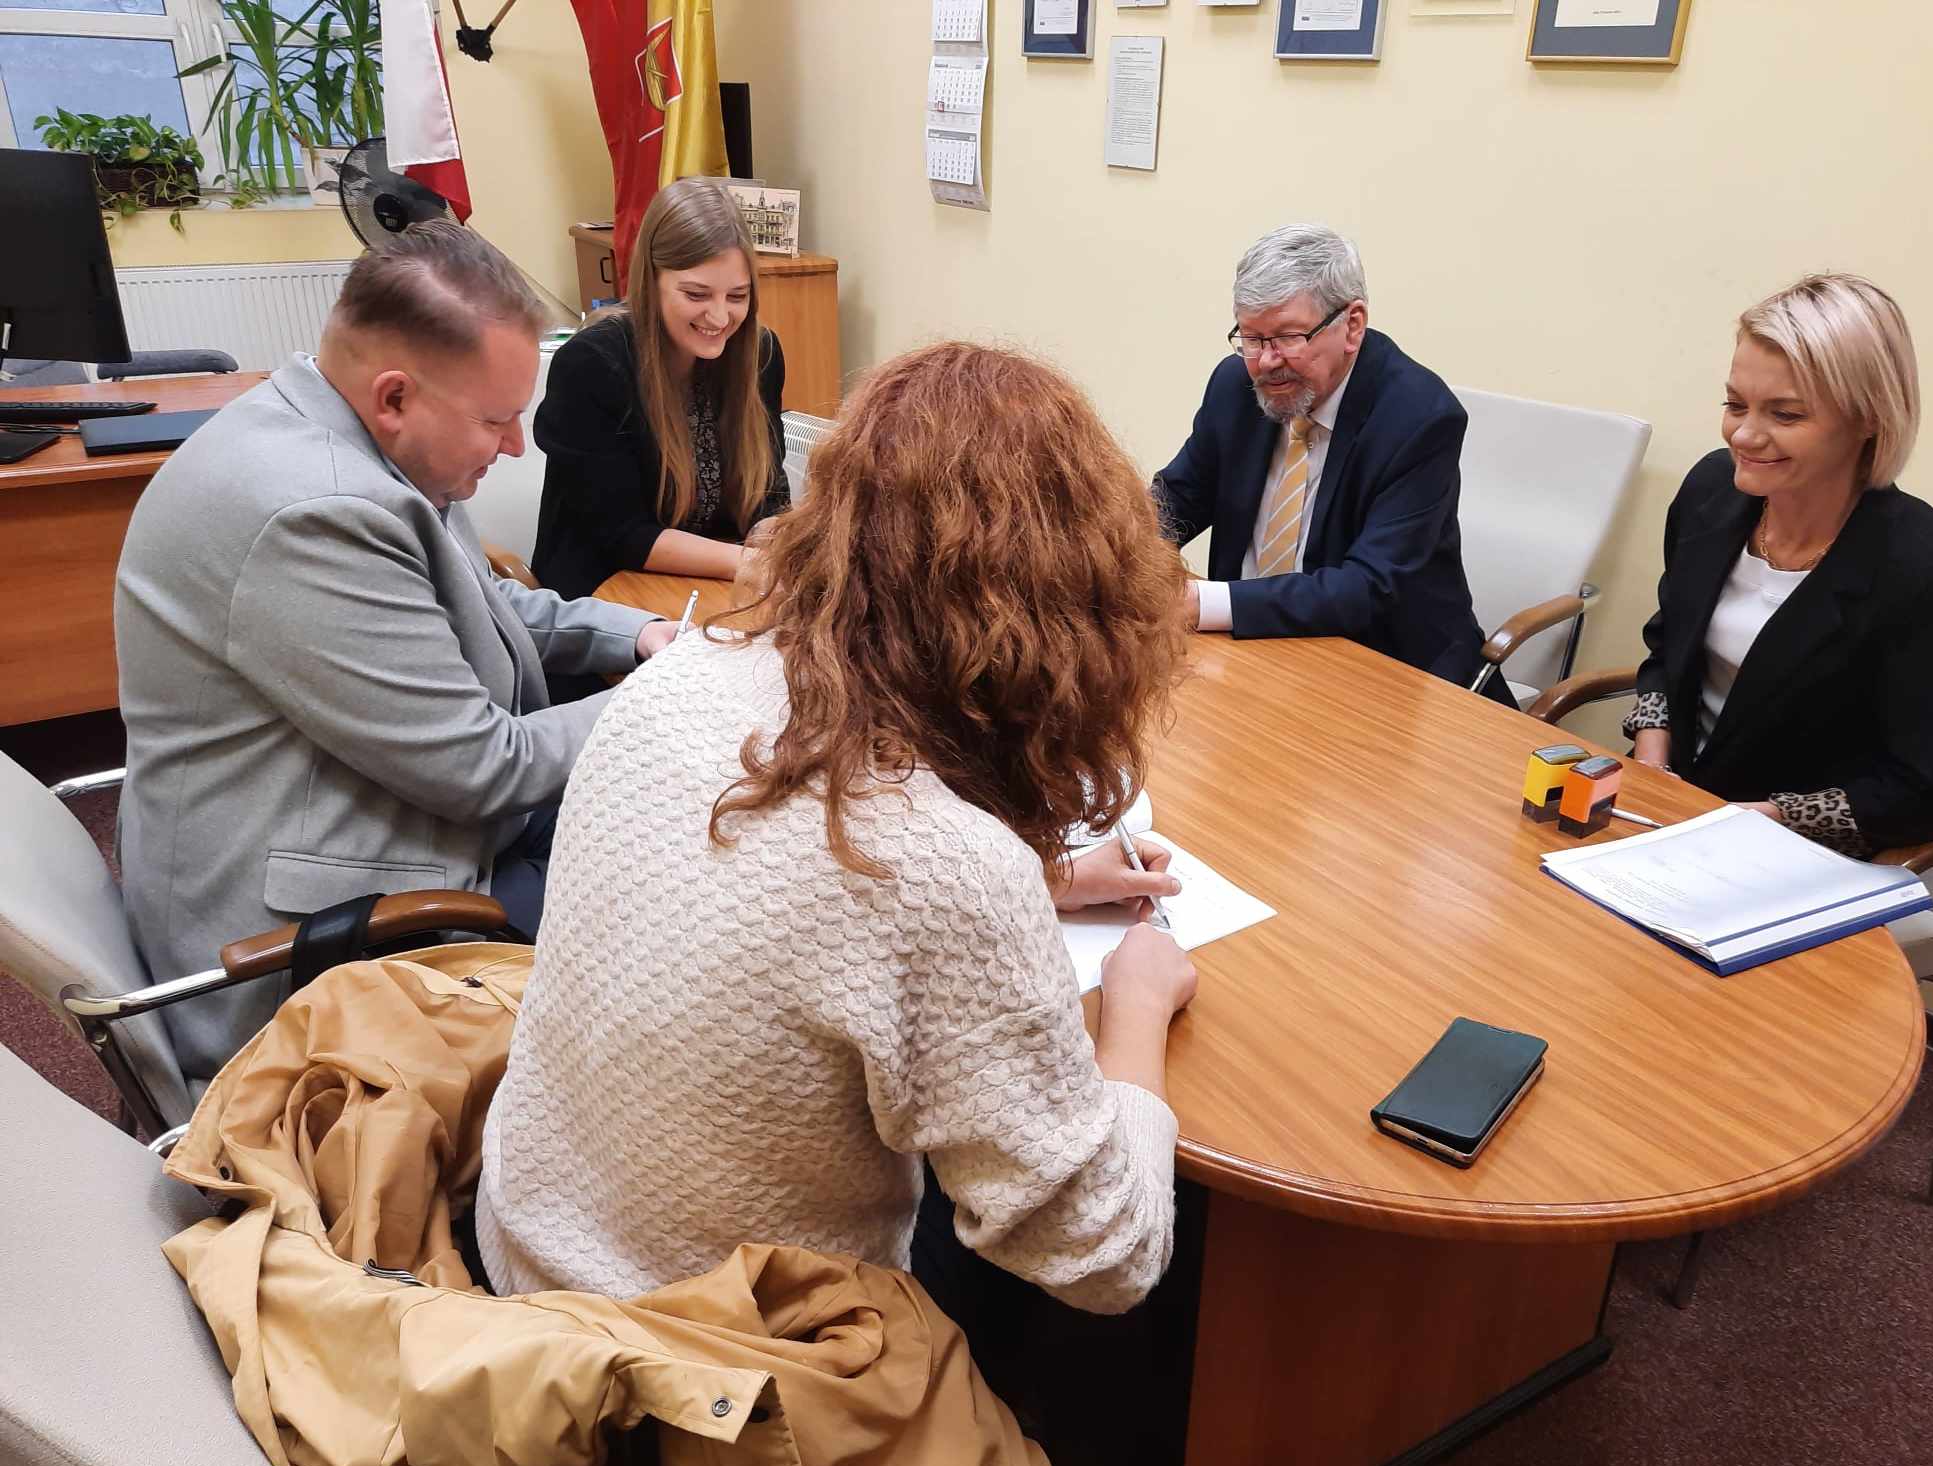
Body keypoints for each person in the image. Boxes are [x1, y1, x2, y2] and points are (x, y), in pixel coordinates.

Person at [478, 342, 1195, 1328]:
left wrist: (1050, 877)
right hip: (706, 1358)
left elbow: (799, 895)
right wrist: (1136, 1011)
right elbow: (1104, 1258)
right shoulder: (942, 867)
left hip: (527, 1252)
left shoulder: (680, 674)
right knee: (1120, 1286)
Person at [115, 221, 678, 1091]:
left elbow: (478, 604)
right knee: (678, 919)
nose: (517, 446)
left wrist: (635, 636)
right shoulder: (318, 512)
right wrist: (678, 689)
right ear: (394, 398)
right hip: (318, 950)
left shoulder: (350, 440)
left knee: (661, 829)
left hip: (377, 824)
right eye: (497, 420)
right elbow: (484, 766)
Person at [1625, 272, 1933, 855]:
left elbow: (1929, 791)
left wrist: (1762, 817)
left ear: (1869, 418)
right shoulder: (1710, 491)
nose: (1745, 436)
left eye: (1786, 415)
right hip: (1670, 811)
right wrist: (1652, 763)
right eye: (1735, 405)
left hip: (1800, 851)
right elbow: (1668, 646)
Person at [1153, 223, 1503, 697]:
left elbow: (1369, 587)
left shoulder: (1419, 416)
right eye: (1252, 338)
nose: (1266, 362)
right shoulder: (1236, 386)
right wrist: (1111, 555)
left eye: (1287, 337)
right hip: (1249, 653)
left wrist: (1201, 601)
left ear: (1352, 325)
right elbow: (1177, 498)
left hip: (1384, 669)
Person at [529, 178, 789, 603]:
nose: (720, 317)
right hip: (603, 596)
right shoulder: (592, 364)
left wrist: (774, 533)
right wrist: (746, 561)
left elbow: (769, 494)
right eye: (696, 294)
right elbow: (621, 534)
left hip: (713, 587)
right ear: (651, 281)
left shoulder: (760, 353)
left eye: (737, 296)